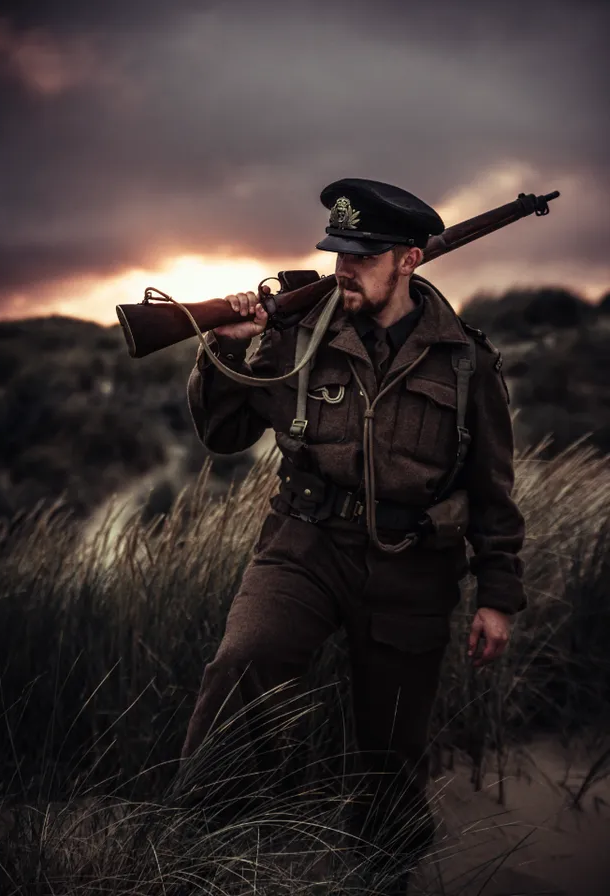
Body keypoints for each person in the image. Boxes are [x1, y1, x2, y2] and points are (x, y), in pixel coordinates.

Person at [182, 178, 527, 893]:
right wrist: (226, 349)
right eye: (338, 251)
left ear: (409, 258)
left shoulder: (465, 360)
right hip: (304, 546)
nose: (344, 267)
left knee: (392, 751)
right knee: (243, 661)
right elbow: (223, 433)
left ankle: (384, 875)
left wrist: (499, 596)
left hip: (413, 566)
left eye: (363, 256)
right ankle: (202, 849)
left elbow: (493, 489)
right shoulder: (298, 335)